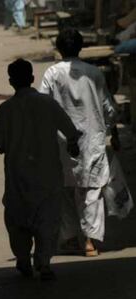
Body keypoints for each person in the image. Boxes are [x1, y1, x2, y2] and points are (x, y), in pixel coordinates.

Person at [0, 59, 80, 280]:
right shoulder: (47, 104)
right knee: (48, 221)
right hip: (48, 175)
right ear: (32, 79)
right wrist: (72, 146)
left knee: (18, 222)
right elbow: (71, 131)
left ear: (11, 81)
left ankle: (23, 259)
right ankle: (44, 263)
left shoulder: (5, 110)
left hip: (17, 178)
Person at [40, 28, 120, 257]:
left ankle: (70, 237)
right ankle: (89, 242)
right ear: (81, 47)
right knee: (91, 191)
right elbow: (108, 108)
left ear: (58, 48)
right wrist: (113, 133)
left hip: (61, 141)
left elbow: (43, 106)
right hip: (92, 140)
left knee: (65, 190)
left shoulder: (52, 74)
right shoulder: (94, 73)